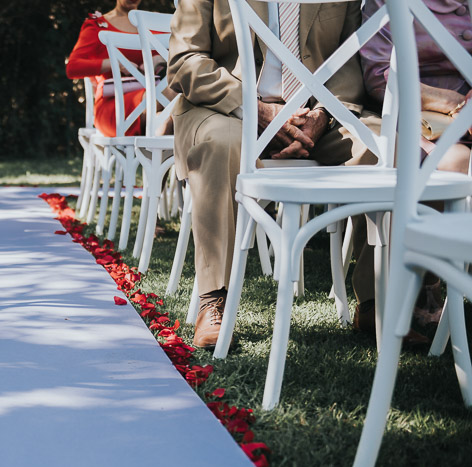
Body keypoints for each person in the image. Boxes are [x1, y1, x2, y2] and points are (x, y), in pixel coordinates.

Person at [167, 0, 378, 349]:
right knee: (221, 144)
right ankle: (214, 301)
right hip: (227, 110)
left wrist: (322, 115)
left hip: (314, 118)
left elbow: (347, 65)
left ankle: (375, 300)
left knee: (386, 146)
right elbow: (184, 61)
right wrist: (257, 109)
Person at [358, 0, 472, 330]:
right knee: (453, 163)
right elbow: (379, 76)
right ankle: (427, 281)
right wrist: (452, 104)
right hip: (415, 113)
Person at [66, 0, 157, 138]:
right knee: (172, 98)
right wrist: (115, 62)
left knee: (168, 119)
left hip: (152, 102)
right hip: (113, 106)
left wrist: (159, 59)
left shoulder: (151, 24)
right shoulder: (98, 24)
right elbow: (73, 67)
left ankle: (153, 158)